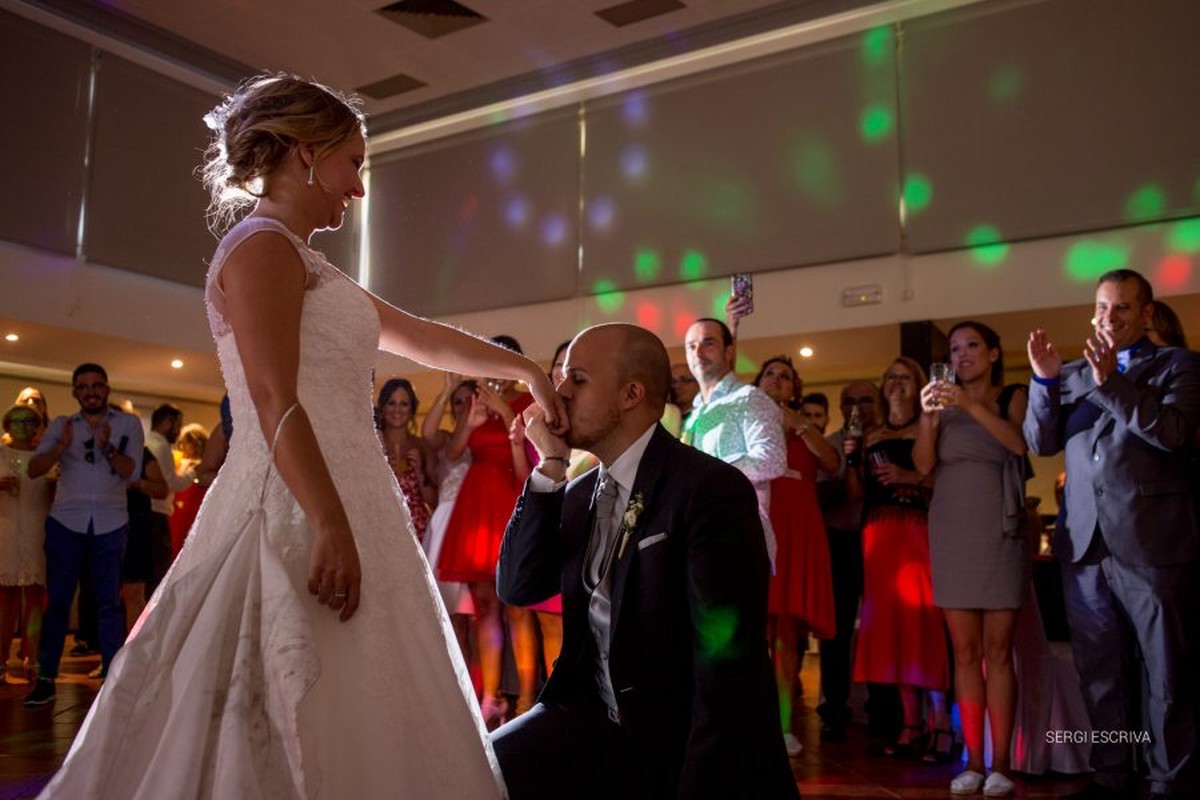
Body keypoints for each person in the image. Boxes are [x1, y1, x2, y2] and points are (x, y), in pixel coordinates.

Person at [36, 73, 567, 798]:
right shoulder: (260, 248)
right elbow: (272, 396)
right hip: (292, 506)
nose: (359, 188)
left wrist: (527, 370)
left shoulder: (309, 262)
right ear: (304, 154)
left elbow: (422, 338)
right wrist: (326, 519)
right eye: (353, 163)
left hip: (354, 498)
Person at [490, 322, 798, 799]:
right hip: (587, 717)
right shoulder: (574, 496)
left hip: (674, 737)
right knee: (477, 769)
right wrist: (550, 466)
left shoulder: (708, 490)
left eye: (578, 379)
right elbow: (517, 586)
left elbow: (725, 669)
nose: (559, 393)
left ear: (631, 394)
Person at [1025, 269, 1200, 800]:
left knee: (1166, 670)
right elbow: (1040, 440)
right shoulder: (1074, 372)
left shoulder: (1179, 365)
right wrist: (1045, 380)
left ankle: (1168, 777)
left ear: (1147, 313)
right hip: (1084, 545)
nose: (1110, 318)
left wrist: (1111, 382)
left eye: (1122, 308)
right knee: (1099, 670)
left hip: (1151, 542)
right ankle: (1110, 772)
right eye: (1102, 308)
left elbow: (1172, 435)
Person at [914, 321, 1030, 797]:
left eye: (971, 346)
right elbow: (923, 466)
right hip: (950, 529)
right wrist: (929, 419)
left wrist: (968, 405)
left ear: (994, 353)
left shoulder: (1012, 396)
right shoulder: (944, 405)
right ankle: (974, 761)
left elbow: (1020, 444)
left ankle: (1002, 761)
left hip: (998, 527)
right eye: (955, 348)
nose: (961, 355)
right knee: (964, 652)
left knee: (998, 652)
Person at [846, 357, 951, 761]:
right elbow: (856, 494)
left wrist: (909, 477)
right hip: (876, 535)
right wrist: (852, 460)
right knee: (890, 629)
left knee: (922, 622)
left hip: (916, 531)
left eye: (906, 377)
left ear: (920, 383)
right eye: (890, 376)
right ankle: (911, 723)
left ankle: (940, 722)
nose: (896, 383)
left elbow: (940, 475)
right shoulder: (871, 434)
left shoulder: (929, 426)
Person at [24, 363, 143, 706]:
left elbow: (131, 472)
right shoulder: (62, 425)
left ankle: (111, 677)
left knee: (108, 603)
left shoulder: (127, 424)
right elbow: (34, 470)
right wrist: (59, 448)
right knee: (58, 602)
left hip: (111, 522)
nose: (91, 391)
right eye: (83, 386)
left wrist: (106, 447)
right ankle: (46, 679)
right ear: (75, 392)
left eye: (97, 385)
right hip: (66, 522)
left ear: (107, 389)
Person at [753, 355, 838, 757]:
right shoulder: (748, 422)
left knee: (787, 640)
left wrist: (799, 425)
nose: (776, 379)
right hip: (759, 528)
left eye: (785, 376)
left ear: (794, 388)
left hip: (798, 536)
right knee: (753, 636)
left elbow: (832, 463)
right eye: (770, 373)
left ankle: (783, 726)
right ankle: (750, 724)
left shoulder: (803, 428)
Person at [681, 317, 786, 566]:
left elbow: (773, 459)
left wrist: (706, 477)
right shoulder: (694, 414)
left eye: (708, 343)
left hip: (738, 535)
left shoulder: (749, 398)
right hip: (697, 539)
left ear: (729, 352)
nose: (698, 351)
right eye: (691, 345)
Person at [1, 404, 52, 683]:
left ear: (37, 427)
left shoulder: (45, 459)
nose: (22, 425)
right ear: (7, 426)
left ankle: (32, 658)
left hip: (36, 529)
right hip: (5, 528)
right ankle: (1, 660)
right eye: (16, 421)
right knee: (4, 598)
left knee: (34, 596)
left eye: (29, 421)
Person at [375, 377, 434, 540]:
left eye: (404, 404)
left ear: (412, 409)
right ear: (382, 407)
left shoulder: (421, 446)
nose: (397, 410)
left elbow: (434, 502)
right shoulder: (372, 446)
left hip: (418, 530)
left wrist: (420, 472)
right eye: (391, 403)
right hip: (381, 528)